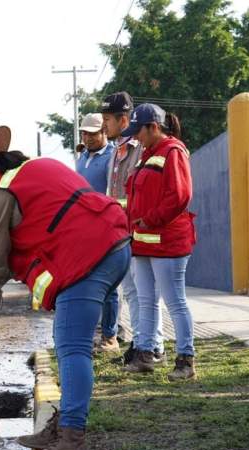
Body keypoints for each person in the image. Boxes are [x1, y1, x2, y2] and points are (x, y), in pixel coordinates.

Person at [0, 126, 131, 450]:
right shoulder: (34, 168)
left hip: (86, 257)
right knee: (69, 343)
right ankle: (63, 426)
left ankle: (72, 440)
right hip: (113, 245)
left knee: (72, 348)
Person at [120, 104, 197, 380]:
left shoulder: (172, 152)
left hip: (168, 243)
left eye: (138, 131)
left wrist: (150, 219)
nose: (135, 137)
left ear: (153, 127)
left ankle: (186, 359)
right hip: (143, 243)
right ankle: (145, 354)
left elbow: (180, 195)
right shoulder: (148, 155)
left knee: (175, 302)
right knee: (146, 301)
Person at [101, 91, 166, 365]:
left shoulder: (141, 149)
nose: (104, 125)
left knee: (145, 293)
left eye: (107, 119)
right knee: (131, 292)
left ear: (124, 120)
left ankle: (154, 346)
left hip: (138, 230)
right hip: (121, 232)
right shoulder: (116, 151)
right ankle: (141, 344)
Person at [76, 113, 120, 352]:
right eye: (84, 133)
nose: (88, 138)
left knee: (109, 285)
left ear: (104, 132)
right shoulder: (82, 157)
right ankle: (95, 332)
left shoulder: (113, 156)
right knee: (88, 283)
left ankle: (111, 336)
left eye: (93, 134)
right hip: (84, 230)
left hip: (106, 227)